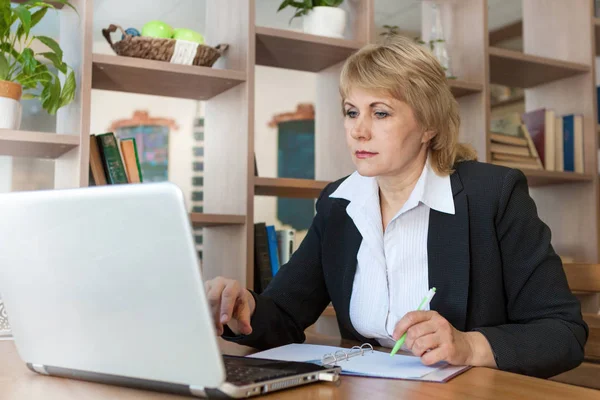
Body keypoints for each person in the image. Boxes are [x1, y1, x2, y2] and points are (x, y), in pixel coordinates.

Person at [204, 35, 587, 379]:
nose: (359, 130)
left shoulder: (494, 195)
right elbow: (285, 317)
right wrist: (243, 308)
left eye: (381, 112)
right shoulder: (339, 203)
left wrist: (469, 345)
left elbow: (562, 333)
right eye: (352, 112)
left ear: (429, 126)